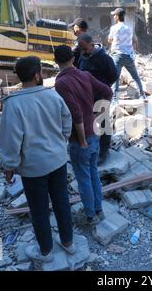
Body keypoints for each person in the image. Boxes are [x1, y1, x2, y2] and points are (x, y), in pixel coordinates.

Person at [0, 56, 74, 263]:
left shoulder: (14, 103)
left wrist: (9, 166)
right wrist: (61, 141)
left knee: (39, 209)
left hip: (33, 167)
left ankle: (46, 251)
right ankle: (68, 242)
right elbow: (67, 121)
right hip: (57, 160)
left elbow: (10, 139)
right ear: (37, 74)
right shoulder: (53, 96)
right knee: (62, 201)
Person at [54, 45, 113, 225]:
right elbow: (108, 91)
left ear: (55, 61)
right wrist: (98, 113)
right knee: (93, 173)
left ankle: (91, 216)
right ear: (73, 59)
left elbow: (76, 114)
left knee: (84, 177)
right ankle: (99, 210)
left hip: (80, 138)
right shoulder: (85, 75)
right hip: (93, 132)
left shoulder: (61, 83)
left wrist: (81, 140)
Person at [77, 33, 118, 165]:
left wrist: (103, 87)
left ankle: (103, 152)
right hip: (86, 96)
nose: (82, 51)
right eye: (80, 48)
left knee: (103, 123)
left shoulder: (104, 58)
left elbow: (114, 75)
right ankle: (90, 148)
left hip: (101, 96)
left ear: (91, 44)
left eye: (84, 48)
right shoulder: (82, 58)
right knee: (88, 123)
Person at [108, 8, 146, 100]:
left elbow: (109, 40)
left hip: (117, 55)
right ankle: (142, 95)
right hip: (129, 56)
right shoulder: (129, 28)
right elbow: (134, 41)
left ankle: (114, 99)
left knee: (115, 78)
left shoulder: (114, 28)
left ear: (117, 17)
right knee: (135, 77)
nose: (113, 17)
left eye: (114, 15)